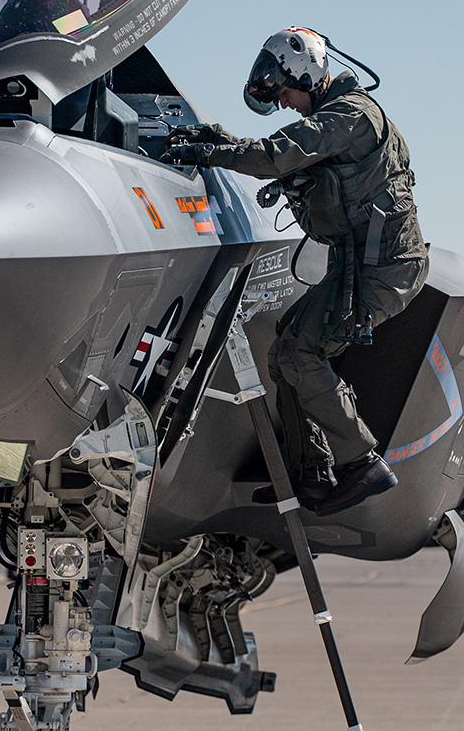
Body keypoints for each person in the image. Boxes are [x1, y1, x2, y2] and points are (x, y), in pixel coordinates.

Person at [162, 28, 426, 515]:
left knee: (303, 353)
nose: (284, 102)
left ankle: (362, 461)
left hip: (385, 269)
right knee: (287, 346)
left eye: (285, 91)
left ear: (303, 72)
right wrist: (215, 140)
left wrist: (207, 151)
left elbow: (272, 155)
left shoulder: (351, 116)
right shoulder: (337, 121)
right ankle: (311, 475)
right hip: (358, 266)